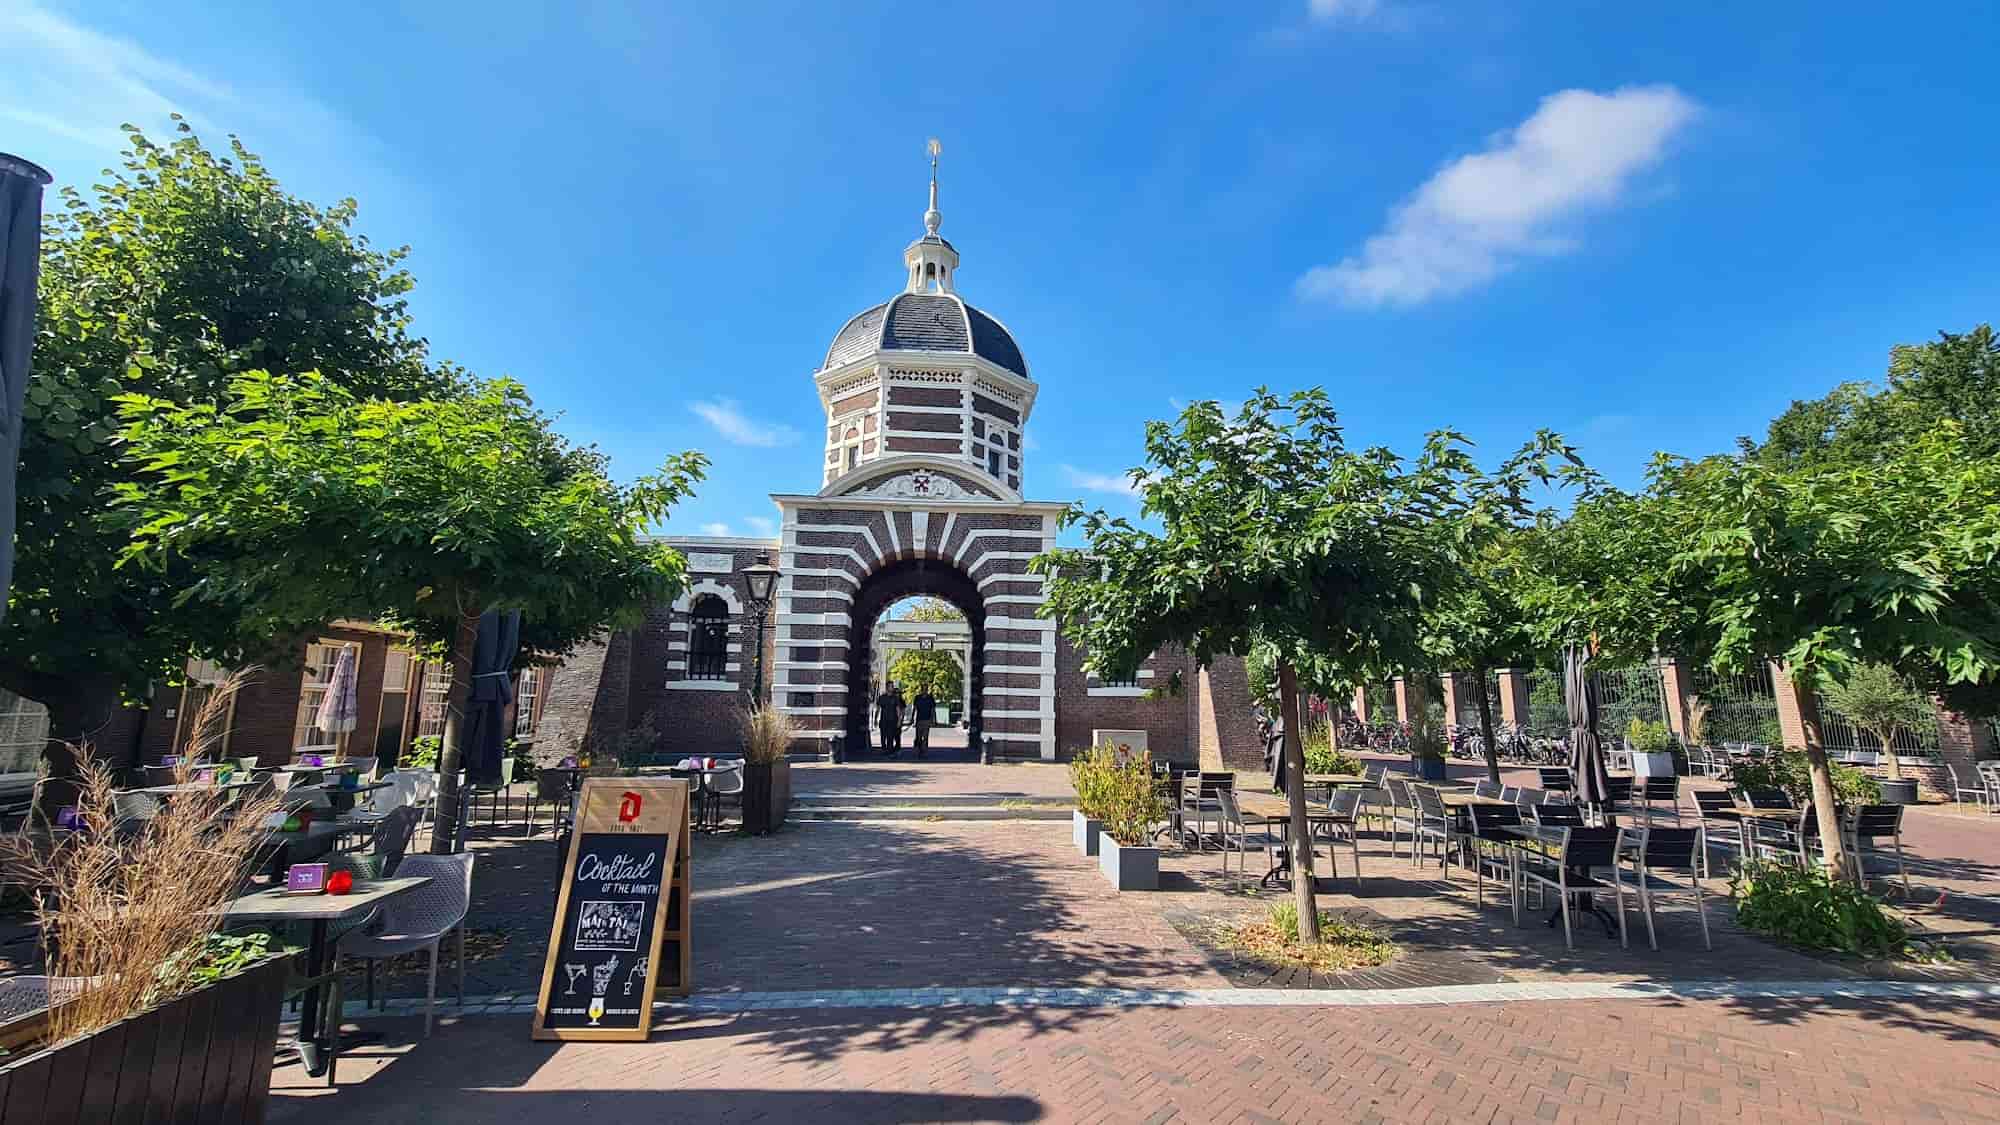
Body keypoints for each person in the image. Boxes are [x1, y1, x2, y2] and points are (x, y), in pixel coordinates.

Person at [875, 682, 904, 756]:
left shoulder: (895, 698)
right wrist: (875, 719)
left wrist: (899, 721)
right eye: (891, 686)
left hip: (892, 720)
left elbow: (898, 710)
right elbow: (878, 709)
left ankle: (889, 751)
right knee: (883, 736)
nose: (892, 688)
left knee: (890, 736)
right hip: (883, 720)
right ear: (887, 687)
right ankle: (884, 749)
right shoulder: (882, 697)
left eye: (892, 686)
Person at [912, 686, 937, 757]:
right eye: (923, 689)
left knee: (925, 736)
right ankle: (919, 749)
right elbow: (914, 708)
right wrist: (912, 718)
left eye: (926, 689)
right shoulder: (917, 698)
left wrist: (934, 720)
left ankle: (924, 751)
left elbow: (933, 710)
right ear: (921, 690)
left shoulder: (930, 698)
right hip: (919, 719)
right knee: (918, 736)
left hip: (927, 720)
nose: (924, 691)